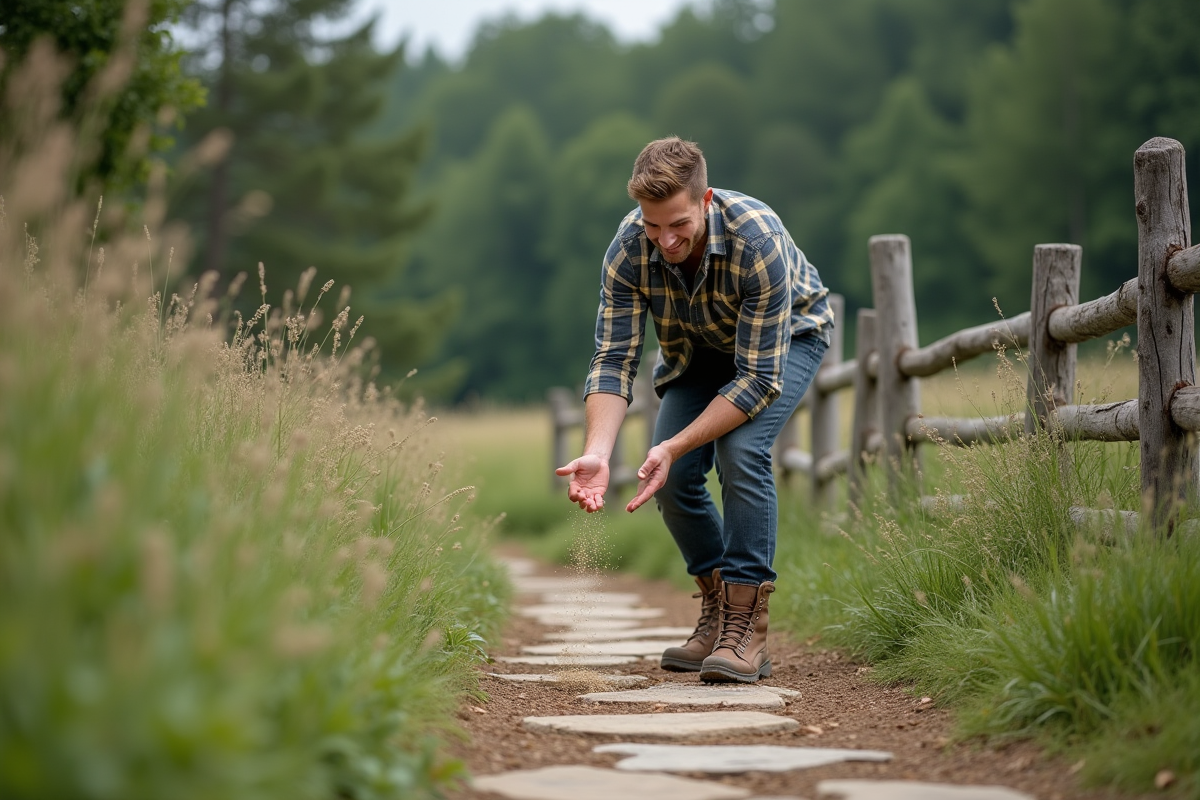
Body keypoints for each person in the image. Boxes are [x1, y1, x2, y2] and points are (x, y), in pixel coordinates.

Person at [555, 137, 834, 683]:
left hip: (787, 340)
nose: (665, 239)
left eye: (678, 223)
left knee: (742, 450)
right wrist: (597, 450)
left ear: (705, 199)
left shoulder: (759, 239)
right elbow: (614, 358)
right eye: (652, 225)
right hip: (697, 352)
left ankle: (746, 628)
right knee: (675, 475)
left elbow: (756, 378)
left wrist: (674, 440)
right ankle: (715, 613)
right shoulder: (629, 248)